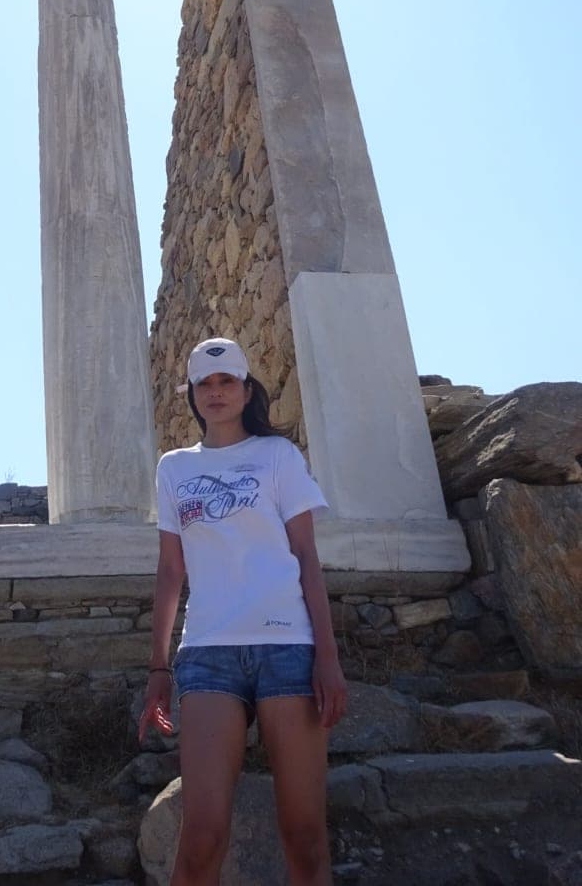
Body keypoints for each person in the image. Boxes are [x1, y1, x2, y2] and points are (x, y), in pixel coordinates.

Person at [138, 337, 347, 886]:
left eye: (226, 381)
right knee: (202, 835)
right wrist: (158, 670)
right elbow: (169, 570)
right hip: (207, 654)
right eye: (204, 384)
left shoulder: (279, 457)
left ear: (246, 389)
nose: (215, 392)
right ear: (191, 394)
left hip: (288, 650)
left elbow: (306, 555)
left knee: (304, 835)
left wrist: (327, 656)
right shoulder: (173, 468)